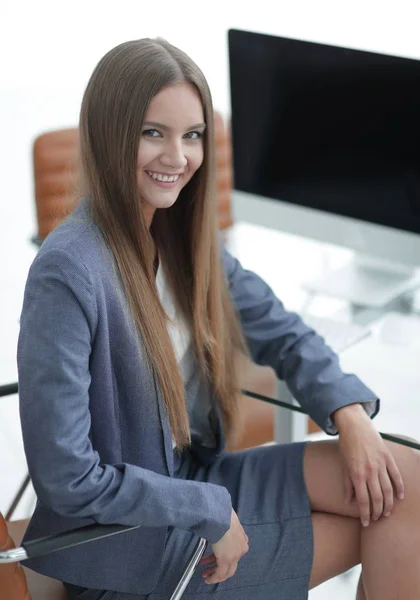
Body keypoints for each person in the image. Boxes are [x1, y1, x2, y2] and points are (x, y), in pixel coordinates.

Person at [17, 38, 420, 600]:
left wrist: (349, 415)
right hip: (125, 540)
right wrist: (204, 508)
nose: (177, 157)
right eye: (152, 132)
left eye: (192, 135)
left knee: (406, 485)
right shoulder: (68, 271)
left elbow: (280, 329)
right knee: (378, 521)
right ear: (110, 132)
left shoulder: (179, 235)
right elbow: (67, 478)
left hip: (198, 478)